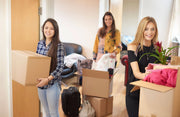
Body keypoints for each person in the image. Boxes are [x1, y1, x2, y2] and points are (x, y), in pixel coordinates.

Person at [126, 16, 159, 117]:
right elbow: (136, 73)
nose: (150, 32)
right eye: (146, 29)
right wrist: (149, 75)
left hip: (150, 92)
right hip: (134, 92)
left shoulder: (156, 48)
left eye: (152, 29)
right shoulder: (133, 47)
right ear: (141, 30)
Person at [36, 18, 64, 117]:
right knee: (46, 112)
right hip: (40, 83)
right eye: (46, 28)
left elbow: (60, 67)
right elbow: (37, 62)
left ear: (55, 30)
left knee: (53, 112)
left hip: (52, 84)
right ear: (43, 29)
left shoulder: (59, 45)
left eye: (51, 28)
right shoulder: (40, 44)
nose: (48, 30)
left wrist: (47, 79)